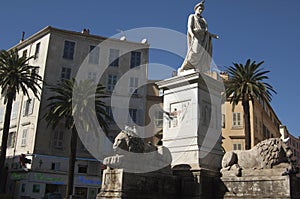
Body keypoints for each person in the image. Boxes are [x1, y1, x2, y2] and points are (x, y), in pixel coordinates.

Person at [178, 1, 218, 73]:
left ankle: (198, 68)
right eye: (200, 9)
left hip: (204, 38)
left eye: (202, 9)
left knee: (203, 54)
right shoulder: (192, 16)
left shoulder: (203, 20)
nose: (201, 10)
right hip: (196, 36)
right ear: (196, 9)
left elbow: (205, 31)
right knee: (194, 52)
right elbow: (189, 27)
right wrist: (192, 34)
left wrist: (212, 35)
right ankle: (185, 67)